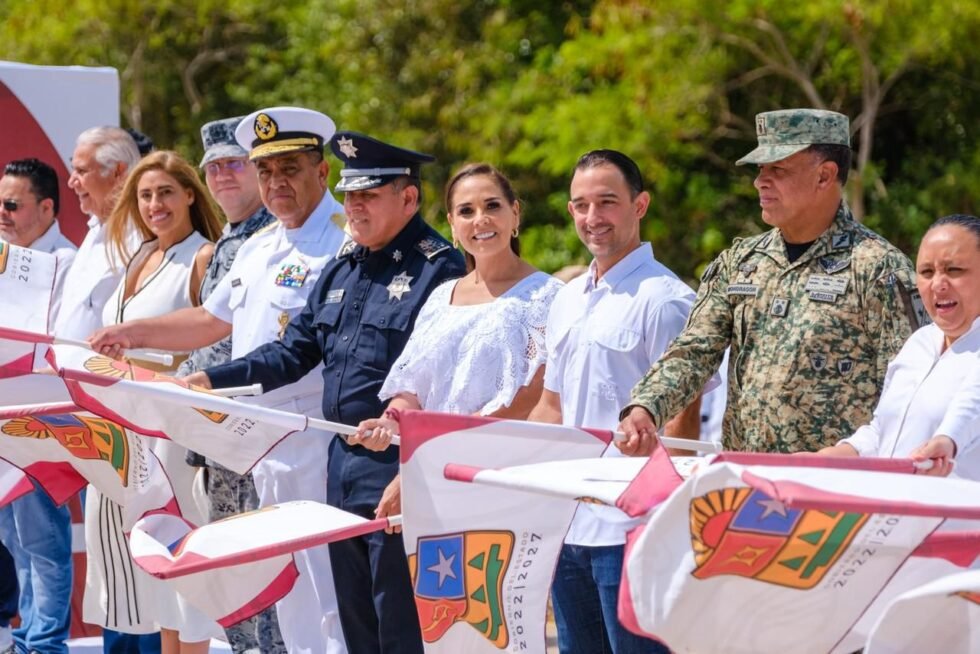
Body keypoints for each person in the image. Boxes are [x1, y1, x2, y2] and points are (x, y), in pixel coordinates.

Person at [186, 131, 466, 654]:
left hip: (401, 463)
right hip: (341, 463)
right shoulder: (344, 267)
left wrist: (413, 465)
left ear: (408, 198)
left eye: (368, 196)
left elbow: (445, 382)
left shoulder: (440, 269)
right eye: (350, 195)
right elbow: (293, 352)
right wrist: (211, 379)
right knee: (352, 614)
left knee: (398, 619)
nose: (354, 207)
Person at [89, 107, 350, 654]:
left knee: (330, 594)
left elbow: (299, 351)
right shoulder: (259, 246)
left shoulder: (343, 240)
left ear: (321, 172)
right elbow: (212, 320)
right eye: (267, 172)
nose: (277, 184)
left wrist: (203, 379)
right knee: (281, 596)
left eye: (292, 170)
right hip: (255, 446)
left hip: (318, 441)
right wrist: (131, 332)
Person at [620, 109, 925, 456]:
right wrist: (645, 407)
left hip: (834, 491)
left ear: (825, 176)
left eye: (777, 169)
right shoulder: (740, 263)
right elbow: (694, 353)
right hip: (745, 483)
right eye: (760, 170)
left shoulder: (878, 269)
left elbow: (909, 393)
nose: (760, 181)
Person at [528, 150, 702, 654]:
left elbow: (683, 424)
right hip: (569, 523)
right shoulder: (567, 298)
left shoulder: (665, 299)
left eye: (607, 202)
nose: (593, 218)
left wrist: (664, 527)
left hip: (634, 528)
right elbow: (551, 409)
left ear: (640, 205)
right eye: (581, 205)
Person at [348, 162, 564, 508]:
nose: (480, 219)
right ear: (451, 223)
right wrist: (389, 422)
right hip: (436, 481)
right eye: (466, 211)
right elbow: (413, 389)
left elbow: (528, 400)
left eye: (492, 206)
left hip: (503, 482)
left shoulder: (549, 296)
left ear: (515, 213)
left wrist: (434, 456)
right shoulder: (440, 297)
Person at [97, 150, 223, 654]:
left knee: (183, 568)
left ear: (191, 194)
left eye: (167, 192)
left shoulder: (203, 256)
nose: (156, 204)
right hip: (124, 433)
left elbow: (210, 343)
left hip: (173, 432)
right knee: (148, 580)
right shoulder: (138, 256)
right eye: (146, 195)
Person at [174, 116, 283, 654]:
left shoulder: (274, 237)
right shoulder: (227, 243)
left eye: (234, 165)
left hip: (253, 427)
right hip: (215, 432)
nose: (222, 177)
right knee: (230, 560)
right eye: (213, 168)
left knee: (261, 561)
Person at [817, 214, 980, 480]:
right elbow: (882, 432)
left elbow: (973, 404)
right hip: (894, 514)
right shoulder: (919, 343)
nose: (938, 284)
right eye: (927, 272)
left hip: (959, 518)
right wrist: (827, 458)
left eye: (954, 270)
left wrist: (947, 439)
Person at [0, 158, 77, 654]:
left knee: (42, 538)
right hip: (4, 413)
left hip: (41, 414)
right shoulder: (5, 257)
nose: (2, 214)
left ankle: (45, 643)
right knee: (10, 537)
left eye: (12, 204)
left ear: (47, 207)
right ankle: (24, 636)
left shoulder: (66, 263)